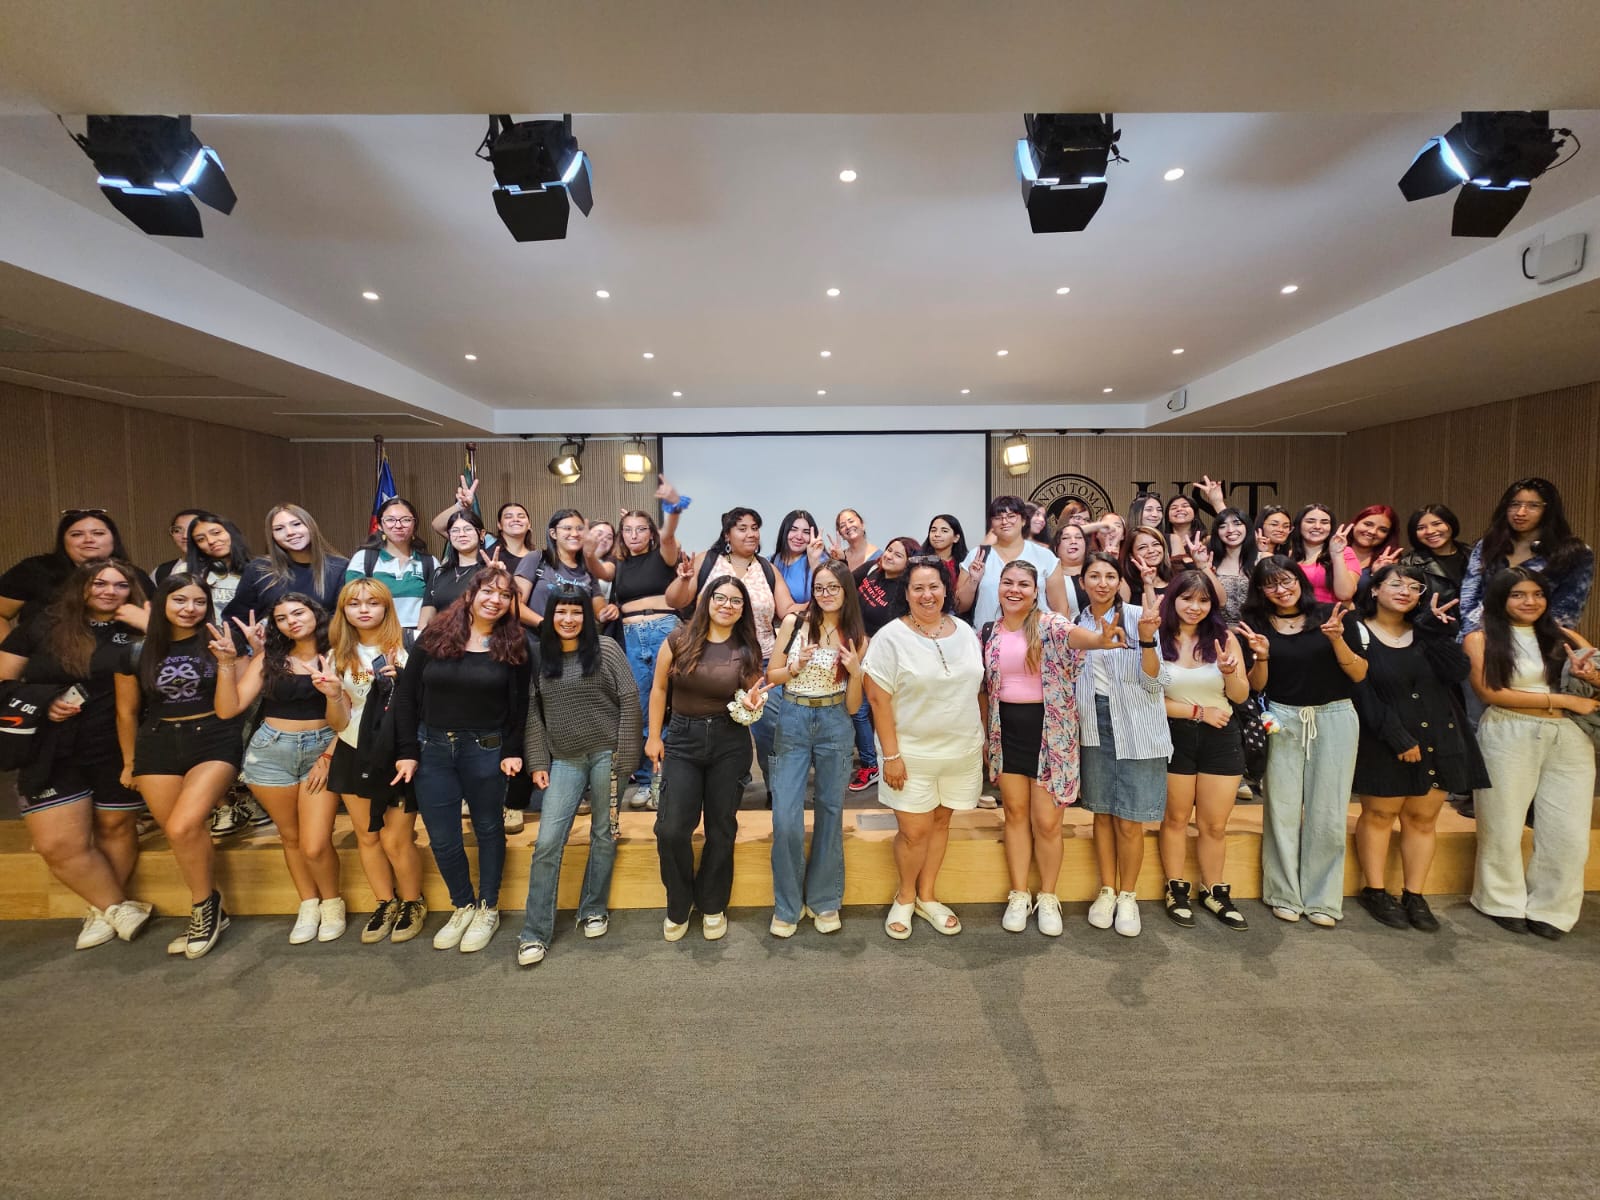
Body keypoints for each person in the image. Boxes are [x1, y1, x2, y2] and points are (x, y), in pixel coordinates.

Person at [0, 559, 153, 950]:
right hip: (51, 747)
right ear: (81, 586)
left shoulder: (137, 627)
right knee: (56, 844)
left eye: (120, 585)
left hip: (116, 745)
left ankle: (104, 910)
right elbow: (3, 680)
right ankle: (116, 906)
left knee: (115, 828)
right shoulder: (43, 625)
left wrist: (148, 624)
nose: (109, 591)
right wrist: (43, 701)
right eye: (99, 583)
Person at [392, 566, 530, 954]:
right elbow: (406, 697)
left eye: (504, 595)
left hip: (486, 748)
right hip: (432, 749)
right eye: (488, 591)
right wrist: (406, 752)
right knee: (443, 836)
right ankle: (462, 904)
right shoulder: (434, 635)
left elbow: (520, 708)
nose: (495, 600)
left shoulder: (515, 644)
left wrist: (512, 750)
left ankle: (488, 906)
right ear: (471, 593)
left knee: (488, 829)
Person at [982, 560, 1124, 936]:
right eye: (1007, 582)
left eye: (1024, 584)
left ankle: (1047, 895)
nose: (1014, 589)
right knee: (1014, 814)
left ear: (1035, 591)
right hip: (1006, 732)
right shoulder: (989, 631)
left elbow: (1079, 637)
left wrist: (1100, 639)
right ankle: (1019, 893)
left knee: (1047, 822)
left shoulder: (1049, 624)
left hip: (1051, 734)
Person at [1464, 567, 1600, 939]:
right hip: (1509, 730)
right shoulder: (1481, 638)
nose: (1530, 602)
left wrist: (1590, 677)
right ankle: (1499, 900)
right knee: (1502, 822)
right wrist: (1562, 698)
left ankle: (1554, 908)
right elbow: (1490, 692)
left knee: (1568, 831)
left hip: (1570, 735)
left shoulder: (1565, 636)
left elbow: (1596, 684)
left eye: (1537, 595)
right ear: (1500, 599)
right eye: (1518, 595)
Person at [113, 574, 241, 958]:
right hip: (157, 741)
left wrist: (228, 662)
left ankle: (204, 910)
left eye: (199, 601)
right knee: (177, 831)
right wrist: (129, 760)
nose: (190, 608)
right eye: (180, 600)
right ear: (163, 603)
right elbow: (126, 710)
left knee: (185, 824)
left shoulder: (219, 642)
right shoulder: (136, 651)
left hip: (213, 737)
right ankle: (208, 902)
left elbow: (230, 706)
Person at [1350, 563, 1480, 933]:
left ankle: (1415, 894)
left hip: (1438, 735)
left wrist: (1437, 633)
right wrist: (1397, 737)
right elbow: (1362, 690)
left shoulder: (1427, 632)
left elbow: (1457, 674)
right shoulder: (1357, 631)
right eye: (1395, 584)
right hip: (1383, 736)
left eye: (1414, 587)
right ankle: (1375, 890)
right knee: (1379, 816)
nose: (1405, 591)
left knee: (1423, 819)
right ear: (1374, 590)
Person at [1237, 556, 1368, 926]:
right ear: (1261, 591)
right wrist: (1261, 656)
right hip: (1282, 717)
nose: (1281, 589)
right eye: (1271, 584)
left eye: (1287, 580)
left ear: (1301, 580)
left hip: (1336, 717)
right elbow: (1258, 685)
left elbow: (1359, 673)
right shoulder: (1256, 626)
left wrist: (1338, 642)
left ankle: (1323, 899)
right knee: (1281, 808)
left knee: (1328, 811)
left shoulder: (1333, 615)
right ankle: (1283, 893)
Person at [517, 587, 641, 966]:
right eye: (560, 612)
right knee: (547, 842)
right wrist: (538, 762)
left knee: (604, 834)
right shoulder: (540, 656)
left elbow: (631, 700)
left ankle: (593, 908)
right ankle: (534, 932)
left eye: (576, 612)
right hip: (565, 760)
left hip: (608, 754)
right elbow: (533, 714)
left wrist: (626, 756)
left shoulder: (606, 650)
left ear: (587, 616)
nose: (568, 619)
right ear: (550, 616)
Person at [646, 576, 771, 942]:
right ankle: (679, 901)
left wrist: (754, 701)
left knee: (721, 827)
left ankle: (713, 902)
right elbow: (658, 688)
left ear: (743, 609)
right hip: (682, 739)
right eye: (721, 597)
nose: (727, 605)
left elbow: (752, 692)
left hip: (729, 742)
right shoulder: (678, 639)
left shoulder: (747, 647)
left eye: (736, 601)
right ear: (707, 600)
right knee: (671, 829)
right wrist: (654, 736)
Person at [863, 559, 984, 939]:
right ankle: (906, 894)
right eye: (918, 588)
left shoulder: (965, 631)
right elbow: (878, 701)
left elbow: (978, 689)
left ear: (946, 589)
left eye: (934, 586)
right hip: (910, 754)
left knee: (942, 823)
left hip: (960, 751)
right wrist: (892, 756)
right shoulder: (890, 637)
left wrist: (980, 742)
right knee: (914, 831)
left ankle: (927, 896)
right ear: (907, 593)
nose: (927, 595)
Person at [214, 592, 343, 944]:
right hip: (271, 752)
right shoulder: (268, 659)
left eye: (298, 613)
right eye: (283, 618)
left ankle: (332, 902)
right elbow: (229, 709)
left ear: (316, 614)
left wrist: (329, 755)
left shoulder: (336, 654)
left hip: (323, 748)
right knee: (290, 837)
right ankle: (309, 903)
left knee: (315, 843)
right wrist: (227, 663)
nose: (292, 621)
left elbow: (348, 718)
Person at [319, 577, 426, 945]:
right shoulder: (336, 656)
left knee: (397, 839)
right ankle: (385, 902)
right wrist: (334, 695)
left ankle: (413, 902)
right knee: (367, 836)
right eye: (354, 603)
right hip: (353, 749)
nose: (363, 609)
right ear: (343, 611)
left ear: (386, 607)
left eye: (372, 602)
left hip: (398, 752)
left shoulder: (409, 646)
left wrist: (406, 682)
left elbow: (426, 707)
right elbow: (339, 722)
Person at [764, 561, 868, 936]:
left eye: (832, 588)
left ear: (845, 592)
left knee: (830, 811)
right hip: (793, 717)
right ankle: (787, 905)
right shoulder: (794, 624)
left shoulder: (855, 634)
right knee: (785, 816)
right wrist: (794, 666)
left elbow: (855, 707)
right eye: (819, 587)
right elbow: (770, 677)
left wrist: (856, 671)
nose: (825, 595)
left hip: (834, 721)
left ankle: (824, 900)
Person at [666, 507, 795, 799]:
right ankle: (729, 785)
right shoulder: (707, 562)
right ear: (727, 534)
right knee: (721, 727)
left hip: (759, 660)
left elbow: (787, 610)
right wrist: (685, 580)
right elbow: (675, 600)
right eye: (742, 528)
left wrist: (824, 594)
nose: (751, 533)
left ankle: (777, 792)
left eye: (755, 528)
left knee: (770, 730)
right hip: (710, 658)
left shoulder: (766, 568)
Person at [1074, 552, 1169, 937]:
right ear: (1082, 582)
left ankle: (1128, 895)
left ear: (1119, 581)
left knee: (1130, 819)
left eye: (1109, 576)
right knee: (1102, 813)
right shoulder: (1074, 624)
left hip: (1136, 724)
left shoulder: (1137, 616)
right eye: (1093, 576)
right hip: (1092, 723)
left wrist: (1146, 640)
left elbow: (1154, 682)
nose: (1101, 583)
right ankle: (1107, 889)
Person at [1156, 571, 1251, 931]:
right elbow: (1147, 697)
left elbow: (1240, 695)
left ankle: (1214, 890)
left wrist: (1229, 673)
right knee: (1176, 819)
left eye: (1203, 600)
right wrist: (1197, 711)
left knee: (1214, 824)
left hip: (1221, 736)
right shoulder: (1157, 638)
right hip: (1173, 735)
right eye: (1187, 598)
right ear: (1173, 600)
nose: (1195, 607)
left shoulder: (1223, 639)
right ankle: (1175, 888)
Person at [584, 477, 686, 809]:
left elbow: (669, 534)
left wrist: (673, 507)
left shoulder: (664, 555)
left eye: (641, 529)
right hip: (630, 636)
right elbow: (596, 568)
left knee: (671, 706)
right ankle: (646, 780)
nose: (634, 535)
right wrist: (588, 547)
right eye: (627, 529)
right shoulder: (619, 565)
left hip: (664, 631)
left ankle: (667, 781)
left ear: (650, 533)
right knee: (641, 710)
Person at [1459, 477, 1594, 636]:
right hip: (1481, 637)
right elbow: (1469, 597)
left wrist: (1521, 640)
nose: (1520, 512)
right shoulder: (1489, 544)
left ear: (1549, 510)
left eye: (1533, 506)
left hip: (1538, 642)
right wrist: (1478, 636)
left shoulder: (1574, 552)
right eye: (1514, 504)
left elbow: (1567, 611)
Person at [0, 509, 151, 637]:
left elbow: (159, 622)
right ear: (63, 541)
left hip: (119, 665)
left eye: (98, 533)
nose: (88, 539)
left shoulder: (135, 575)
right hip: (45, 663)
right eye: (76, 534)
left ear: (113, 539)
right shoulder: (34, 569)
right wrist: (8, 651)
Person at [222, 505, 348, 639]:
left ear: (310, 526)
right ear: (272, 536)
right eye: (279, 529)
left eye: (296, 524)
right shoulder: (259, 569)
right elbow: (235, 619)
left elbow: (343, 619)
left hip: (326, 649)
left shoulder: (339, 567)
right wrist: (245, 650)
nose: (290, 532)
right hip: (273, 651)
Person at [345, 497, 436, 636]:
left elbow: (436, 602)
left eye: (405, 520)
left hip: (419, 637)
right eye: (390, 520)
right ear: (380, 525)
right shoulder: (363, 559)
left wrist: (419, 636)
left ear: (414, 524)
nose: (398, 525)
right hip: (375, 635)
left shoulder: (429, 562)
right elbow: (352, 601)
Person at [967, 495, 1058, 629]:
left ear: (1023, 520)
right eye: (998, 518)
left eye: (1011, 516)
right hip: (990, 641)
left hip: (1036, 640)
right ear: (991, 523)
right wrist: (973, 580)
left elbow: (1060, 609)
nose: (1004, 522)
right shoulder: (978, 555)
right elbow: (960, 605)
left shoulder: (1045, 556)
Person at [515, 508, 610, 628]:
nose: (575, 534)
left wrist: (608, 612)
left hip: (577, 643)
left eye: (579, 529)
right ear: (553, 534)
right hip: (537, 641)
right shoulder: (536, 559)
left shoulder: (588, 569)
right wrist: (545, 625)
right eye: (567, 528)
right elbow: (515, 605)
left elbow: (600, 611)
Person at [1400, 504, 1470, 633]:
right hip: (1433, 636)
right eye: (1421, 528)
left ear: (1450, 524)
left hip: (1478, 634)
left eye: (1437, 524)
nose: (1430, 531)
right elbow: (1401, 608)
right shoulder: (1409, 564)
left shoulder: (1474, 556)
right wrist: (1427, 617)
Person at [420, 510, 495, 627]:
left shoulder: (489, 571)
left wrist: (497, 576)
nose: (461, 534)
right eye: (455, 530)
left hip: (477, 641)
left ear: (481, 534)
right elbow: (425, 620)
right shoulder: (439, 573)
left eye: (468, 529)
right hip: (441, 641)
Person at [1288, 503, 1360, 605]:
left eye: (1324, 522)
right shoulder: (1288, 556)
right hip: (1300, 617)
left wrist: (1336, 554)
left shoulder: (1345, 552)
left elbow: (1345, 594)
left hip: (1334, 616)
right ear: (1299, 525)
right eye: (1310, 521)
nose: (1317, 526)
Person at [183, 512, 252, 616]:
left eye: (216, 533)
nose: (211, 541)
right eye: (201, 539)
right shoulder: (185, 570)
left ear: (231, 533)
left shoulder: (257, 570)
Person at [1205, 506, 1258, 623]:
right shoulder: (1209, 562)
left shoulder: (1262, 560)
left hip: (1257, 632)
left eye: (1237, 524)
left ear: (1247, 527)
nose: (1230, 530)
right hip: (1219, 631)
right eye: (1223, 526)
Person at [922, 514, 974, 615]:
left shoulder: (965, 563)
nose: (937, 534)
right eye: (933, 530)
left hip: (955, 616)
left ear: (956, 538)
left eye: (944, 531)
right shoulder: (919, 560)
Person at [770, 509, 824, 605]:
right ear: (784, 531)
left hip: (809, 617)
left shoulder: (821, 559)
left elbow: (827, 596)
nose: (799, 536)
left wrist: (814, 562)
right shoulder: (769, 561)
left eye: (806, 532)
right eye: (793, 530)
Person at [1045, 523, 1090, 618]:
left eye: (1078, 537)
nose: (1073, 541)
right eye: (1065, 538)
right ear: (1056, 547)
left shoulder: (1097, 570)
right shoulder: (1050, 578)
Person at [1120, 525, 1174, 603]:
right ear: (1131, 555)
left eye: (1156, 544)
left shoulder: (1177, 574)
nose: (1151, 550)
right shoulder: (1126, 583)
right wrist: (1148, 584)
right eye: (1142, 547)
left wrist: (1198, 563)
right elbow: (1151, 614)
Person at [1347, 504, 1401, 576]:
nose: (1372, 532)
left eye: (1382, 530)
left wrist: (1378, 574)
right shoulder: (1332, 551)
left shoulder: (1389, 561)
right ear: (1355, 523)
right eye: (1368, 524)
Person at [152, 509, 202, 584]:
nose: (185, 536)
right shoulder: (162, 572)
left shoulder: (222, 567)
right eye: (177, 530)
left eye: (192, 529)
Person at [1164, 493, 1206, 568]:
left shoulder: (1206, 541)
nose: (1179, 509)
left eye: (1185, 506)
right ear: (1168, 518)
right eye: (1174, 508)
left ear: (1194, 513)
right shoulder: (1161, 541)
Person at [832, 508, 880, 573]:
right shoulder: (838, 558)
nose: (848, 526)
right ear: (841, 535)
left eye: (851, 521)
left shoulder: (879, 557)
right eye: (842, 526)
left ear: (862, 524)